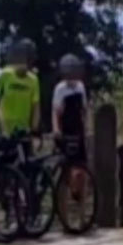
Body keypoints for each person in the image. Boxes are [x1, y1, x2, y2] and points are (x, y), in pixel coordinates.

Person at [0, 39, 40, 155]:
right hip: (5, 132)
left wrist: (34, 129)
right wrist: (1, 124)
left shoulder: (33, 80)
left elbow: (36, 106)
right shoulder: (5, 74)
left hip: (24, 132)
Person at [52, 53, 88, 199]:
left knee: (82, 169)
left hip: (78, 131)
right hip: (65, 131)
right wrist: (56, 129)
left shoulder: (81, 87)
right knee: (66, 170)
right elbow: (56, 112)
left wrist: (86, 127)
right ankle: (65, 209)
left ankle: (80, 202)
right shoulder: (60, 89)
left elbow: (84, 110)